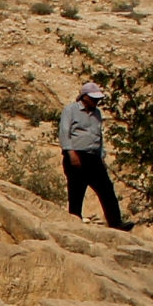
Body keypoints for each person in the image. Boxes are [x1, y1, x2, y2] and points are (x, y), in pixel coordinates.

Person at [60, 81, 128, 230]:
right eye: (93, 98)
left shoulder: (97, 114)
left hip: (94, 156)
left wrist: (101, 156)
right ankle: (74, 221)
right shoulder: (71, 110)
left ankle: (116, 223)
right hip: (76, 154)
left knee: (106, 188)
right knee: (76, 190)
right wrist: (70, 153)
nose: (96, 101)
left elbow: (98, 136)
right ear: (84, 97)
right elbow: (65, 133)